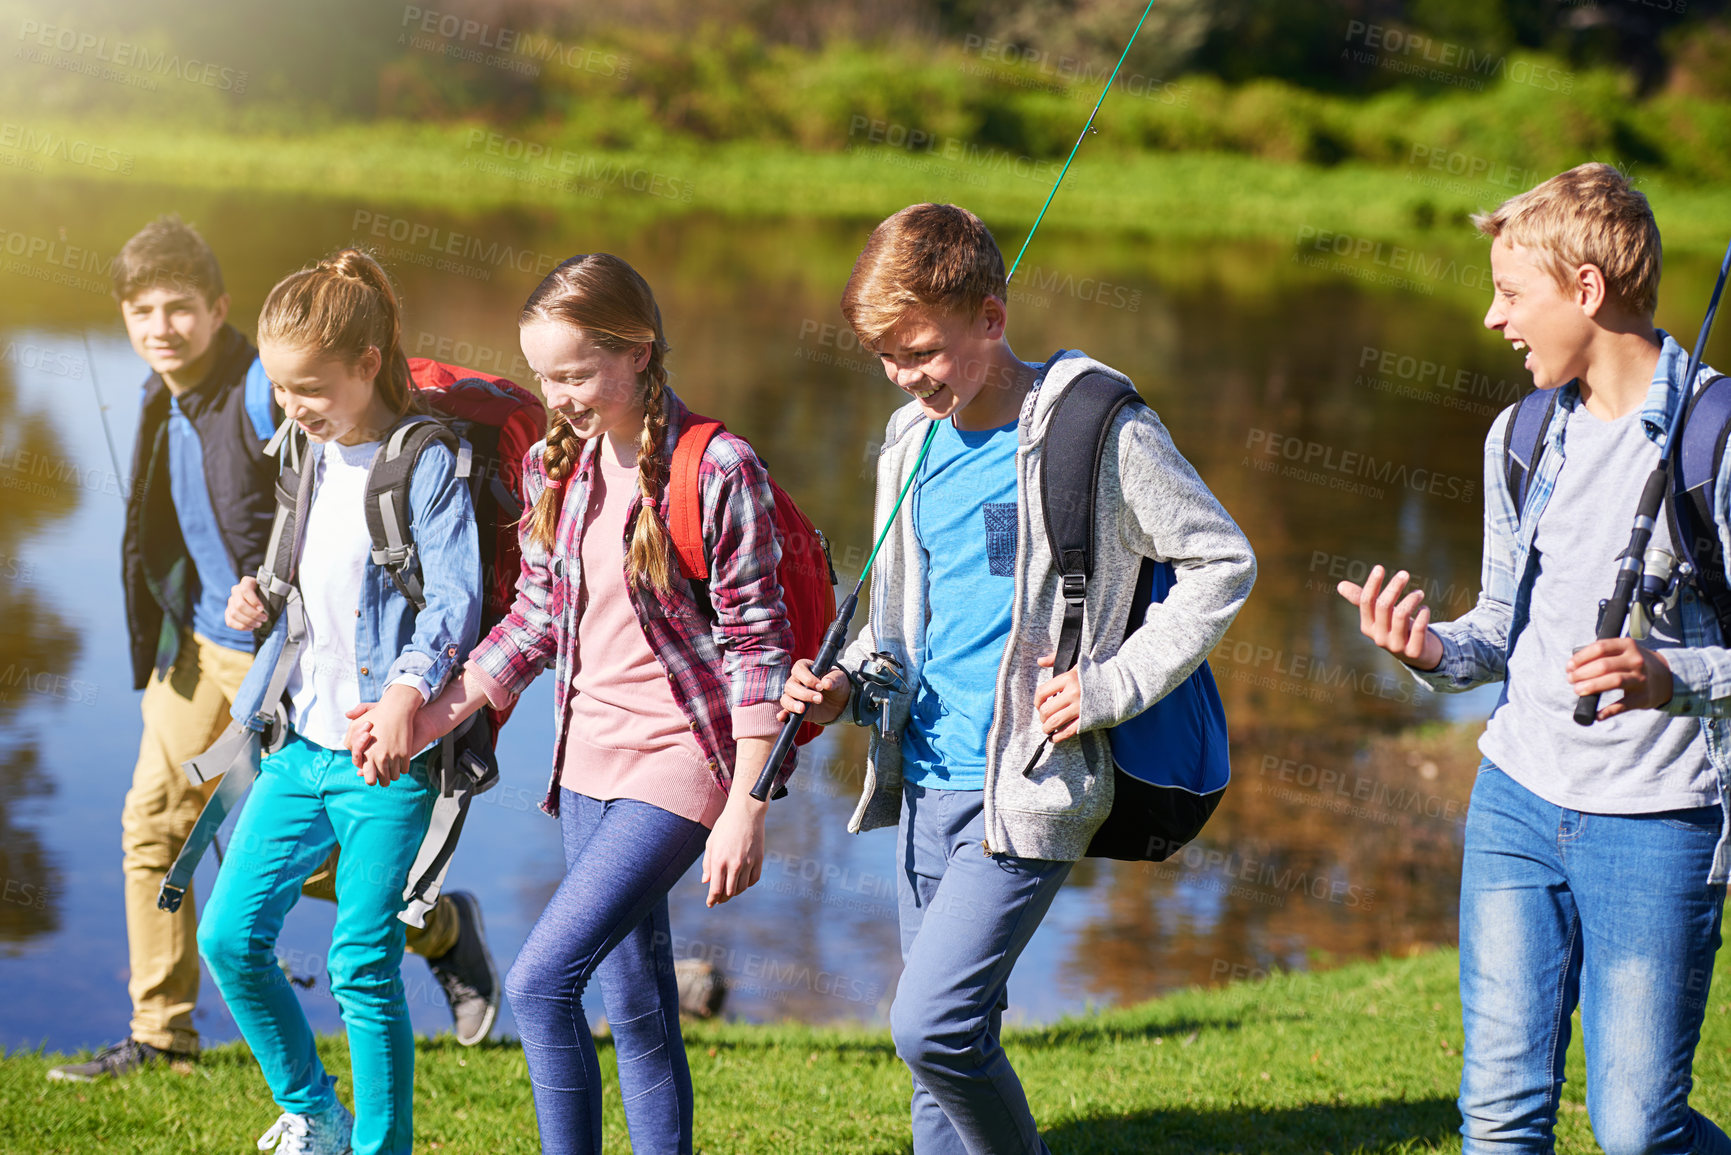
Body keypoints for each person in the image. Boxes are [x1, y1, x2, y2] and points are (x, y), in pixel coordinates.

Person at [779, 203, 1256, 1154]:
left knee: (931, 1027)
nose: (907, 378)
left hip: (1032, 784)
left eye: (920, 351)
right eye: (885, 357)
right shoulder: (907, 441)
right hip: (923, 783)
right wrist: (847, 691)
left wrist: (1111, 683)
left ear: (990, 319)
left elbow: (1223, 561)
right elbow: (900, 629)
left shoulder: (1097, 429)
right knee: (940, 1057)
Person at [48, 221, 496, 1087]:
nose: (163, 326)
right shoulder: (156, 391)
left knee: (318, 857)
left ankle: (438, 927)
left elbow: (357, 508)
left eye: (182, 307)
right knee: (155, 825)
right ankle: (161, 1030)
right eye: (143, 310)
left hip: (286, 663)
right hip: (204, 650)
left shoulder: (269, 390)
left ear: (221, 310)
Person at [1341, 163, 1731, 1153]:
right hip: (1516, 799)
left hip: (1659, 824)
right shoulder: (1517, 435)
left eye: (1512, 294)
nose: (1491, 318)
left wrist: (1669, 678)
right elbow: (1500, 624)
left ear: (1587, 291)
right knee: (1501, 1118)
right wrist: (1432, 650)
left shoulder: (1718, 440)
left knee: (1640, 1132)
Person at [380, 252, 794, 1155]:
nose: (556, 393)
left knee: (538, 982)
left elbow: (762, 648)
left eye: (574, 373)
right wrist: (433, 714)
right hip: (587, 761)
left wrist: (747, 805)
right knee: (635, 998)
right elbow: (534, 618)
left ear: (639, 350)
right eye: (542, 373)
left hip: (686, 762)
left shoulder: (718, 467)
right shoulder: (551, 470)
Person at [195, 249, 482, 1155]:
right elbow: (304, 581)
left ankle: (380, 1147)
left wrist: (406, 690)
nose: (292, 407)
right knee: (229, 937)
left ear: (368, 363)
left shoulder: (426, 463)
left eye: (309, 387)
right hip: (295, 745)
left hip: (383, 756)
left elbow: (453, 597)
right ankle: (314, 1109)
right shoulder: (306, 452)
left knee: (362, 964)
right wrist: (258, 593)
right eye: (280, 389)